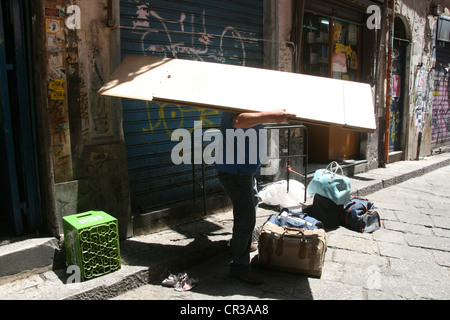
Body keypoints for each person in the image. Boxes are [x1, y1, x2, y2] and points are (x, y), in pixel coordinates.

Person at [215, 109, 296, 284]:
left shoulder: (250, 100)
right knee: (246, 217)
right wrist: (273, 116)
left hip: (244, 170)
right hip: (235, 171)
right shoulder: (235, 99)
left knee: (251, 205)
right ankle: (239, 268)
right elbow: (238, 121)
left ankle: (240, 246)